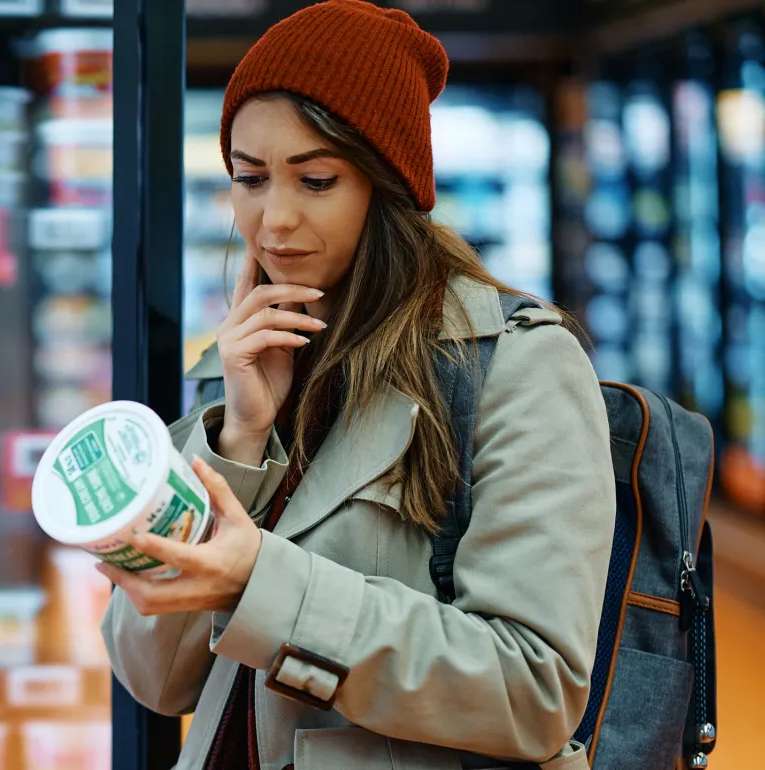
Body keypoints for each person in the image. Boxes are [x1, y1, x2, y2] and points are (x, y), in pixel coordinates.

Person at [98, 2, 614, 768]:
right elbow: (155, 679)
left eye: (315, 179)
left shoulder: (514, 364)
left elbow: (534, 691)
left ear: (388, 184)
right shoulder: (238, 366)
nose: (272, 220)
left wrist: (261, 583)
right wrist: (238, 441)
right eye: (248, 178)